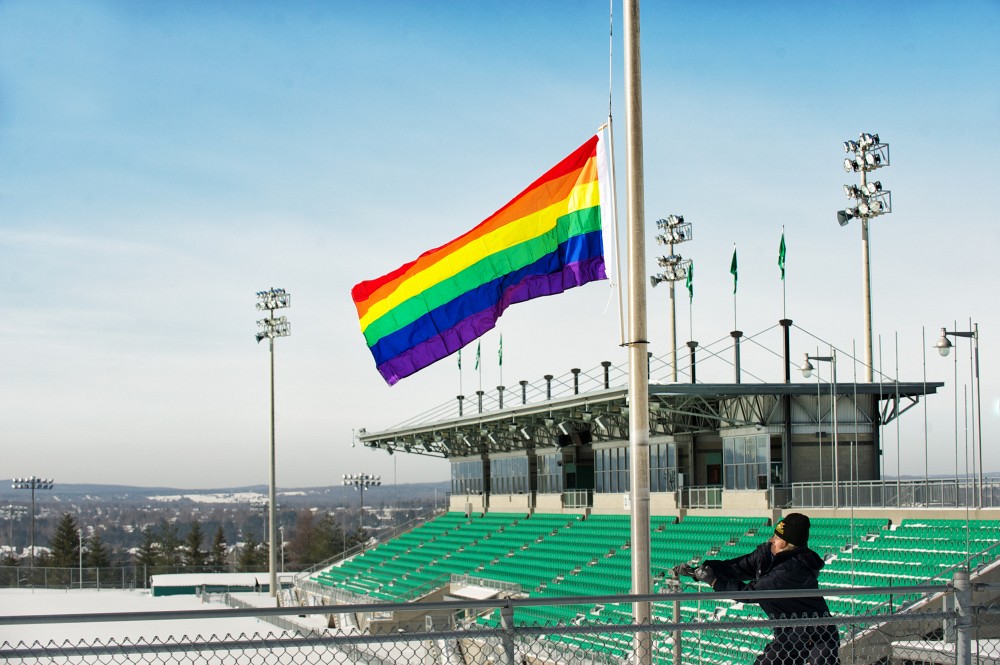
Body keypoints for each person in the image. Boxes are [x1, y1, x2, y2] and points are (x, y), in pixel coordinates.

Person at [673, 513, 840, 665]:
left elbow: (750, 593)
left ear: (788, 544)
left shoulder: (793, 569)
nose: (772, 540)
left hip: (817, 634)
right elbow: (736, 567)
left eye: (777, 537)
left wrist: (715, 582)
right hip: (788, 634)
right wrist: (701, 570)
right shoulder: (767, 555)